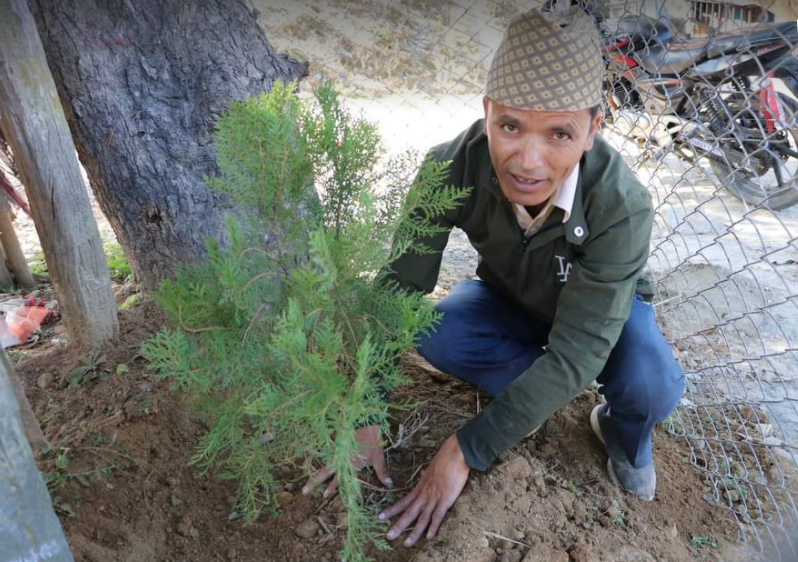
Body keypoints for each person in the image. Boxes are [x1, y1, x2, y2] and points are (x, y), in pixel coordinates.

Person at [303, 7, 685, 548]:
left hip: (603, 324)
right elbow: (398, 289)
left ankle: (620, 434)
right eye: (509, 126)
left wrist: (467, 448)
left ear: (592, 130)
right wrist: (365, 410)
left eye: (558, 133)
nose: (528, 160)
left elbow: (579, 351)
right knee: (436, 328)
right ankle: (536, 392)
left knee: (650, 382)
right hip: (509, 302)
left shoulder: (621, 205)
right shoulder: (451, 166)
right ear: (487, 114)